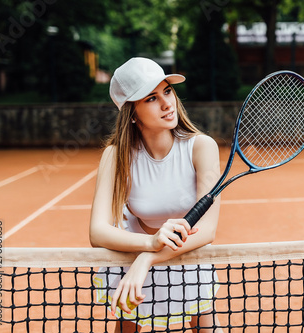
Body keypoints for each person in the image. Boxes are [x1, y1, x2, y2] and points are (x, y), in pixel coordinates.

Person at [89, 57, 223, 332]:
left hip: (187, 255)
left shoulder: (202, 147)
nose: (166, 103)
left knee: (207, 327)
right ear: (132, 113)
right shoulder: (115, 156)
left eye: (167, 91)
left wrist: (149, 258)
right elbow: (97, 232)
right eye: (151, 98)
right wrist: (149, 245)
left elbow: (207, 231)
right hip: (134, 253)